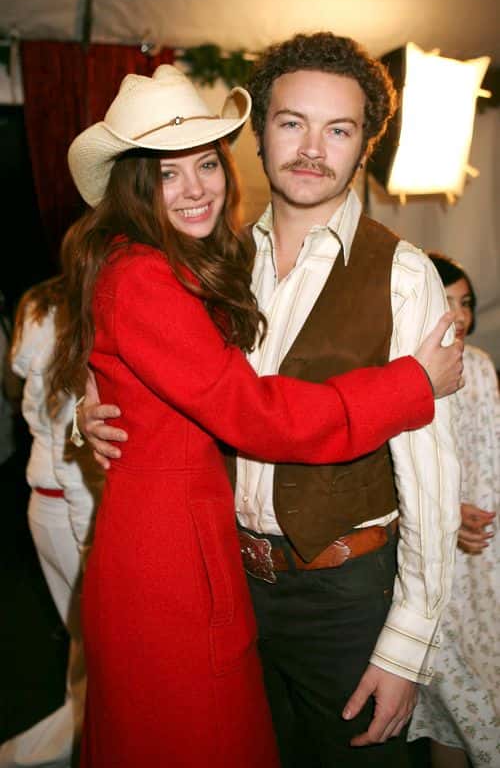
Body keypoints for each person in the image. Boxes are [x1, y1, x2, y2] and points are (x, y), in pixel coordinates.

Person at [69, 63, 462, 768]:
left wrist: (407, 648)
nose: (312, 147)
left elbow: (433, 477)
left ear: (365, 143)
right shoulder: (214, 258)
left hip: (339, 593)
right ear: (259, 138)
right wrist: (94, 408)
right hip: (218, 577)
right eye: (291, 122)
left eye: (337, 128)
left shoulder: (402, 273)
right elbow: (237, 407)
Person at [0, 276, 101, 768]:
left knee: (84, 649)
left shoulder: (37, 301)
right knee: (97, 653)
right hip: (69, 503)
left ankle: (81, 742)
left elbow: (12, 381)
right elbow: (71, 448)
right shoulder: (83, 316)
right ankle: (83, 747)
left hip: (43, 501)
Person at [408, 254, 500, 767]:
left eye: (465, 303)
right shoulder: (403, 375)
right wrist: (449, 513)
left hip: (486, 561)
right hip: (433, 565)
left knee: (481, 692)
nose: (460, 315)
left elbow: (492, 452)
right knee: (447, 702)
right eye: (447, 303)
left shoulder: (482, 366)